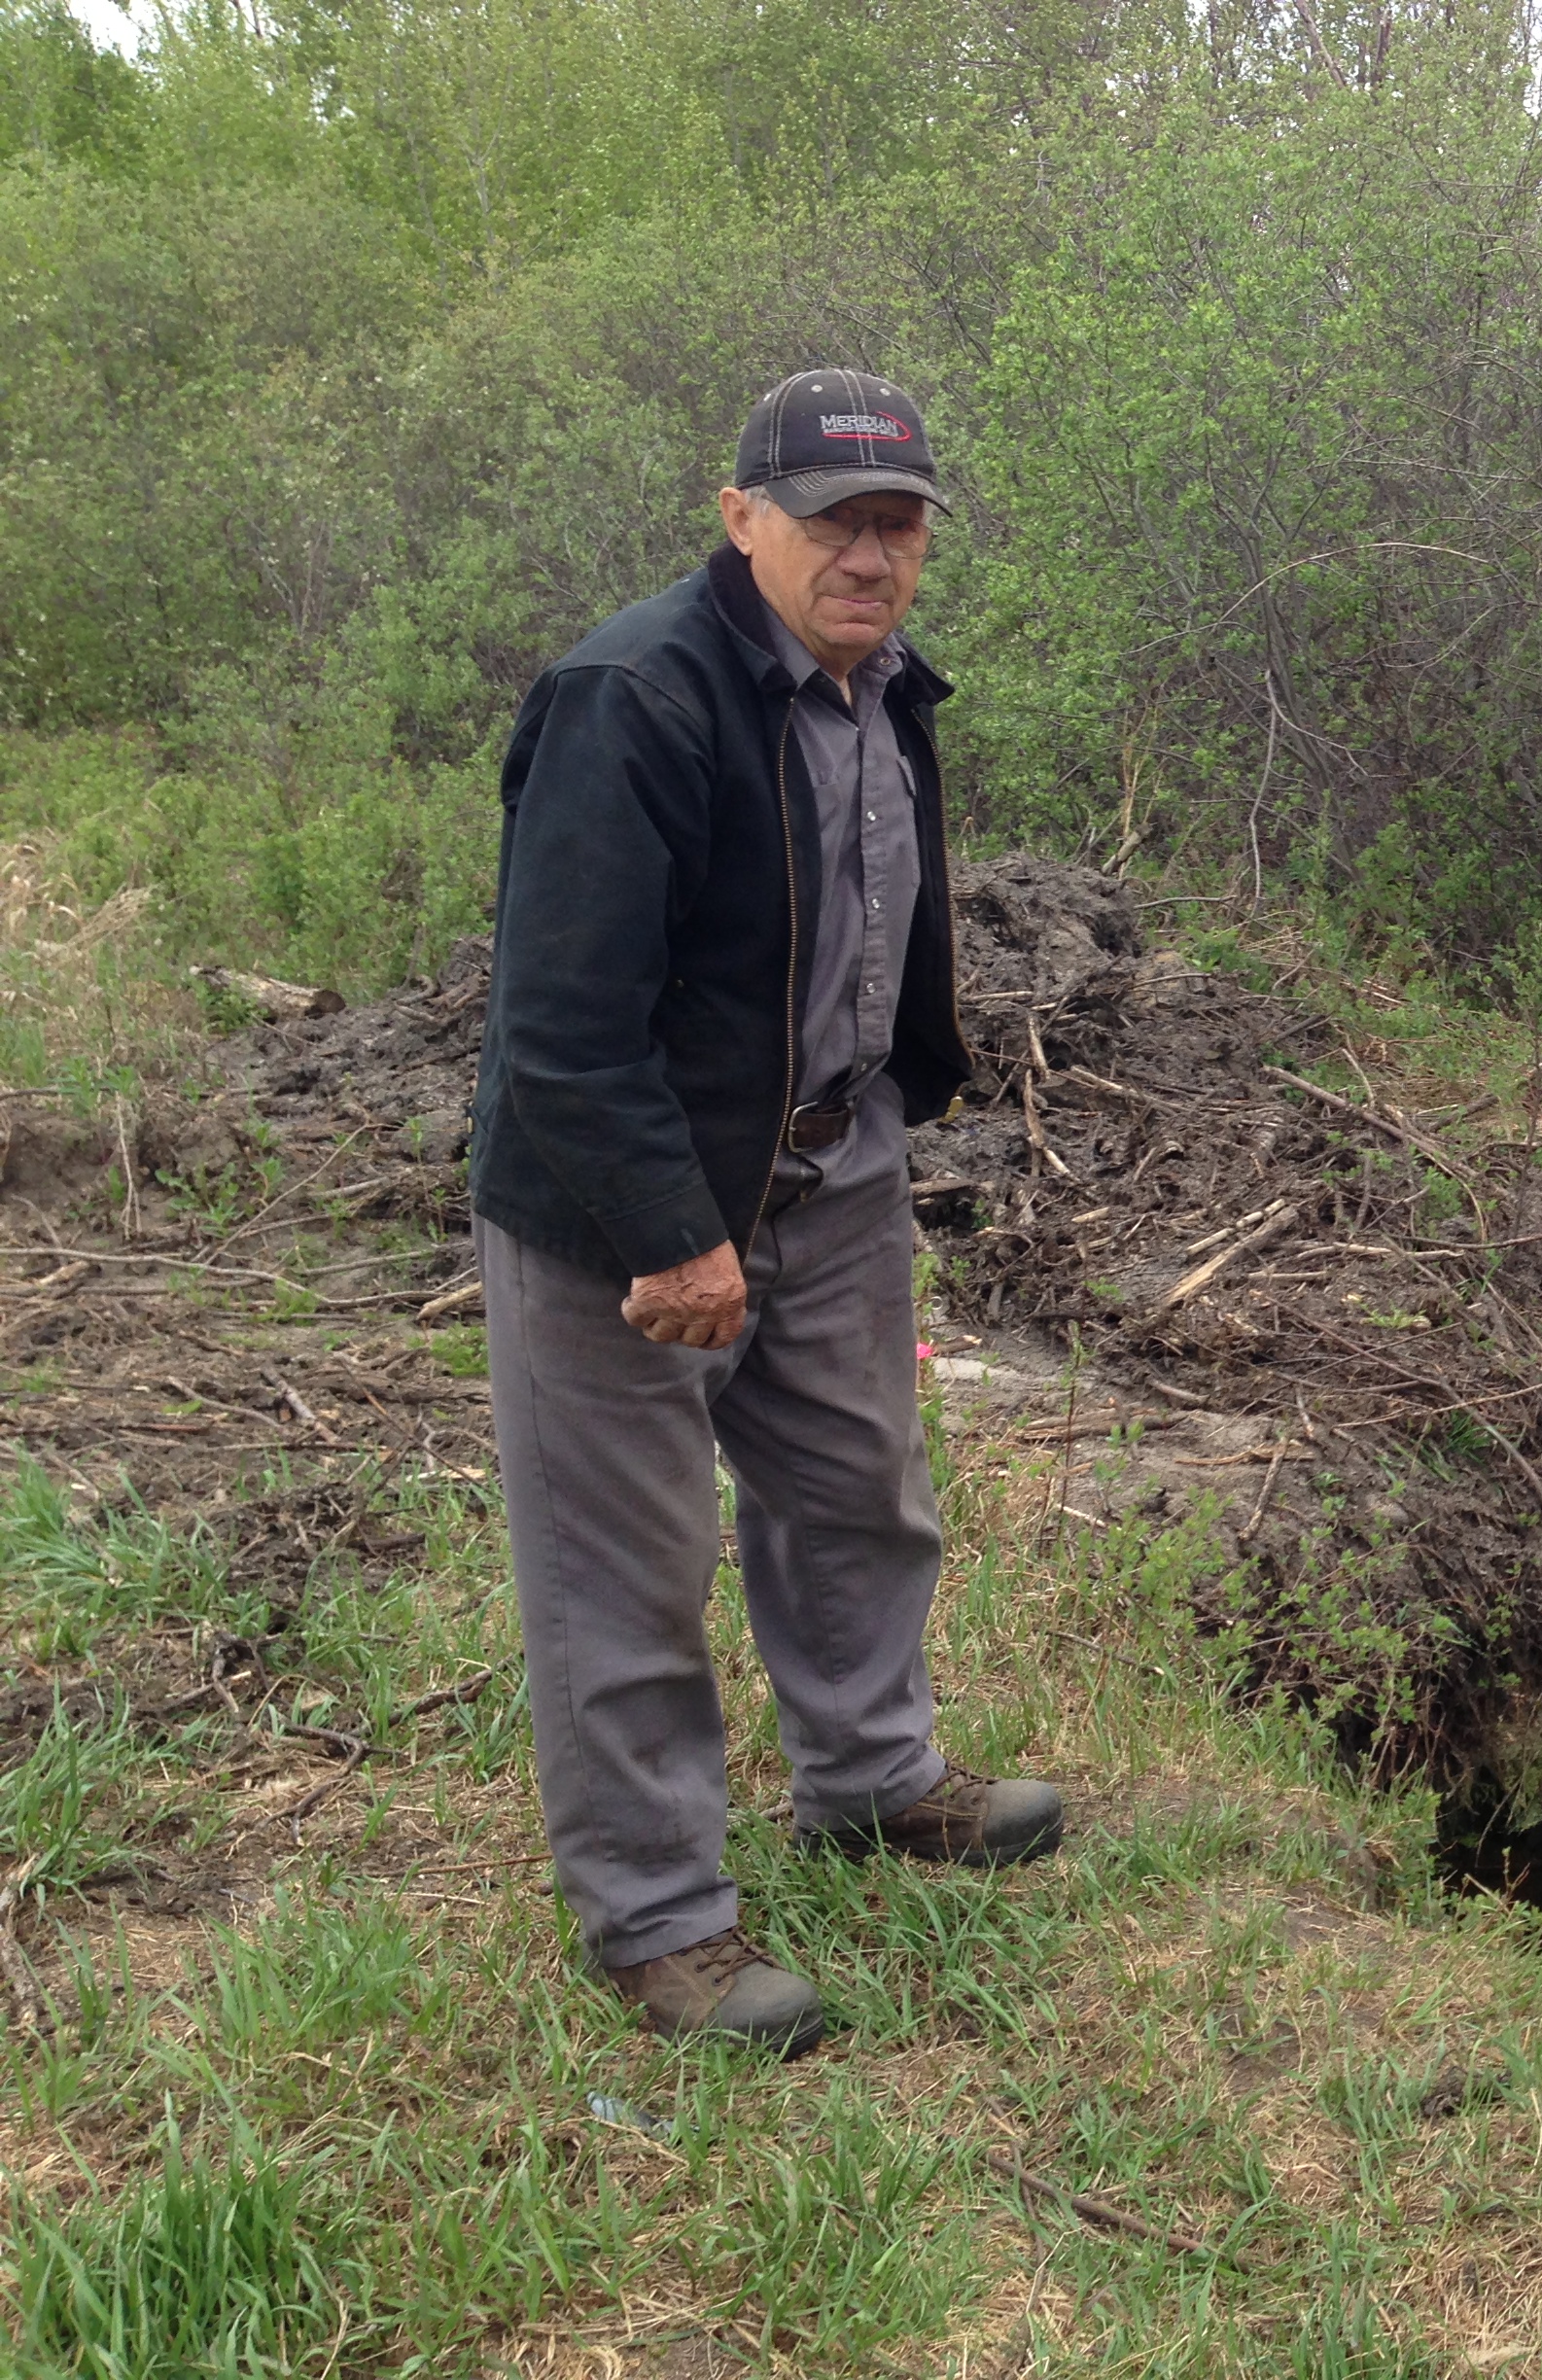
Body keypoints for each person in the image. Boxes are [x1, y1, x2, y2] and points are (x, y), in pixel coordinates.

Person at [468, 368, 1064, 2056]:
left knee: (861, 1491)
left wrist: (882, 1117)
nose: (869, 553)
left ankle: (873, 1784)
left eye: (899, 522)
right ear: (743, 519)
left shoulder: (880, 691)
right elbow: (562, 1027)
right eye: (833, 519)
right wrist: (673, 1227)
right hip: (626, 1198)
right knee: (625, 1564)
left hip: (828, 1167)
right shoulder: (633, 696)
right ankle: (659, 1921)